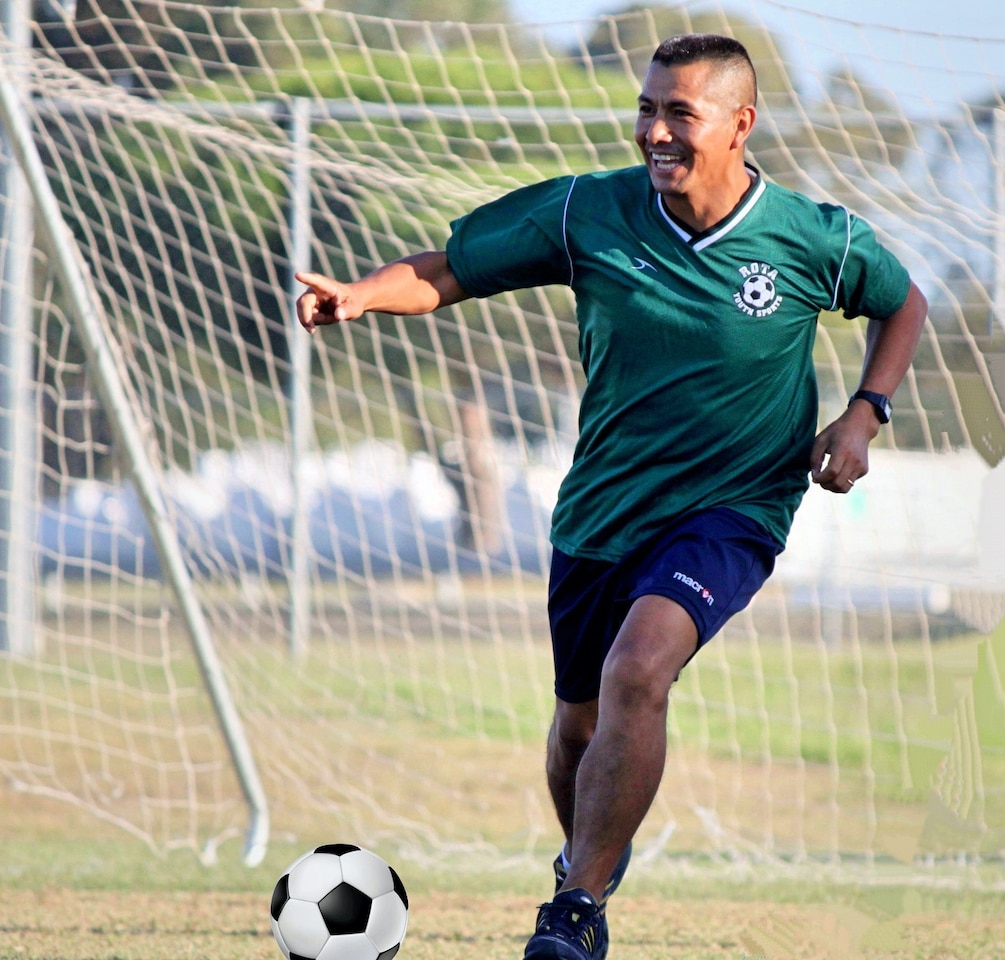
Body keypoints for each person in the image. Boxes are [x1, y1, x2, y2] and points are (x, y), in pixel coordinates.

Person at [296, 32, 927, 960]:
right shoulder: (587, 213)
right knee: (577, 729)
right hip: (601, 511)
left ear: (740, 125)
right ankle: (587, 859)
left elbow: (903, 300)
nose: (656, 132)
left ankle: (575, 911)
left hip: (734, 508)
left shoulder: (811, 239)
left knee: (642, 667)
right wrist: (361, 294)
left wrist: (863, 415)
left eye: (681, 113)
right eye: (647, 109)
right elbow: (448, 269)